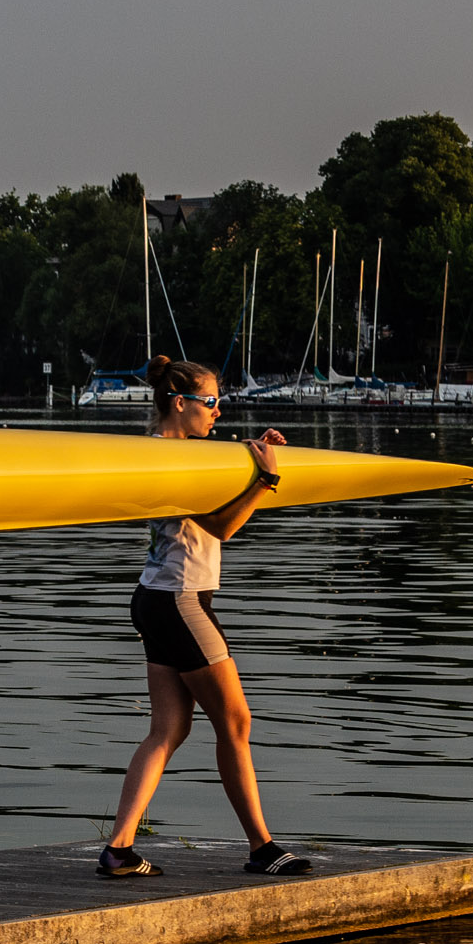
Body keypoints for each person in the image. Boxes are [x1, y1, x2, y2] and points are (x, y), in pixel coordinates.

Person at [100, 356, 311, 880]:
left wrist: (256, 456)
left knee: (168, 728)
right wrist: (264, 481)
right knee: (235, 722)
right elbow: (220, 528)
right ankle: (262, 847)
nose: (219, 411)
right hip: (180, 600)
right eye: (211, 402)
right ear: (180, 403)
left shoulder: (177, 452)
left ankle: (119, 848)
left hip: (155, 597)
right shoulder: (174, 460)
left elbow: (216, 497)